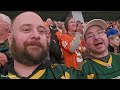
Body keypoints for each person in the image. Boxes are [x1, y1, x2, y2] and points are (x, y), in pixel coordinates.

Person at [0, 11, 82, 79]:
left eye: (41, 31)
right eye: (26, 29)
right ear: (10, 39)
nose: (36, 35)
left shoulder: (66, 74)